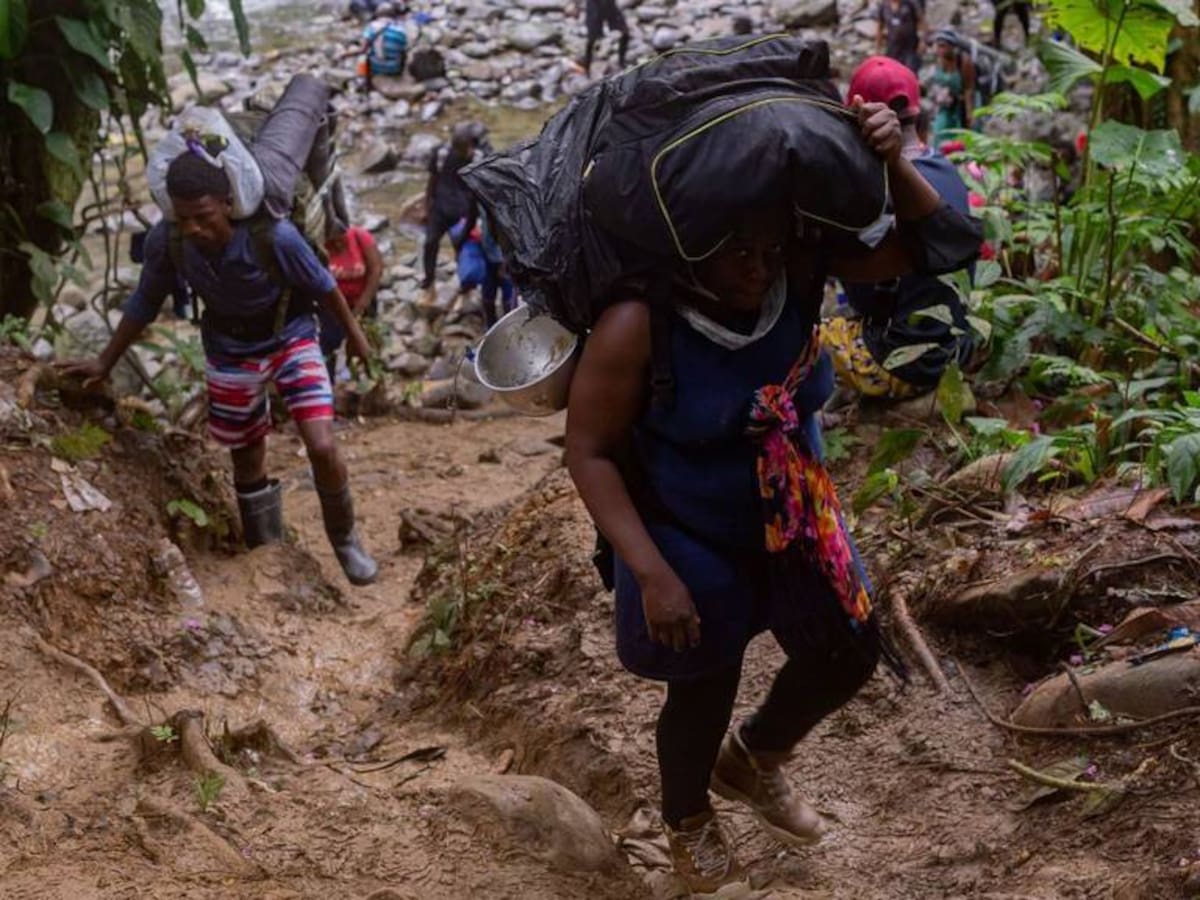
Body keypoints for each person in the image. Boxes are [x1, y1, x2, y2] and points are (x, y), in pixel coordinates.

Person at [565, 99, 977, 892]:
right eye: (739, 254)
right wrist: (651, 573)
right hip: (685, 519)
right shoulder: (637, 324)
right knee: (705, 670)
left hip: (792, 505)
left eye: (768, 248)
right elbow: (587, 452)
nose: (759, 267)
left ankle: (754, 759)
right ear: (690, 255)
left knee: (848, 649)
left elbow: (945, 245)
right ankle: (687, 819)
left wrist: (892, 160)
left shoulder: (799, 268)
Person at [58, 153, 379, 587]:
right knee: (247, 456)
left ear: (228, 204)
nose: (194, 228)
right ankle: (265, 551)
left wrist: (356, 339)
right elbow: (145, 303)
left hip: (291, 337)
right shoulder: (169, 242)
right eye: (184, 217)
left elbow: (324, 287)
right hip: (229, 348)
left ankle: (345, 540)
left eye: (203, 216)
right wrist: (104, 361)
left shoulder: (276, 237)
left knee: (321, 444)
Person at [821, 57, 976, 400]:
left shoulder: (880, 192)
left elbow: (861, 290)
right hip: (956, 349)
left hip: (907, 362)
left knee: (808, 338)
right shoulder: (944, 167)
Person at [420, 123, 481, 304]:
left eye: (464, 148)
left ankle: (466, 286)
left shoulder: (478, 159)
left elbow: (480, 191)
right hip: (439, 208)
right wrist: (426, 206)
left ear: (471, 143)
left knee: (462, 248)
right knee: (430, 243)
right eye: (458, 148)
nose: (461, 152)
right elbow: (432, 180)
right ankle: (429, 282)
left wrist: (476, 219)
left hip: (463, 213)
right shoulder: (441, 153)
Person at [320, 220, 384, 383]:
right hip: (332, 305)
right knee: (328, 345)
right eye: (333, 243)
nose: (338, 245)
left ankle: (368, 380)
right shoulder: (320, 246)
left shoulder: (360, 237)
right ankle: (329, 383)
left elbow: (376, 269)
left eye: (341, 240)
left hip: (362, 301)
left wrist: (362, 304)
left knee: (365, 342)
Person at [931, 30, 976, 146]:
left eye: (943, 46)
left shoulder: (964, 62)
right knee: (939, 132)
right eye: (938, 46)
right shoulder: (939, 60)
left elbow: (968, 89)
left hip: (961, 104)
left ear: (952, 47)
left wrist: (969, 113)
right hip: (946, 105)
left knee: (963, 136)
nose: (940, 50)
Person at [362, 2, 409, 92]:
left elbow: (362, 50)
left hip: (376, 68)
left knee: (363, 56)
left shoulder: (371, 27)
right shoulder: (401, 30)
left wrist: (343, 55)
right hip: (395, 68)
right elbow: (403, 49)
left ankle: (365, 83)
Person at [580, 0, 630, 77]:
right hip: (595, 5)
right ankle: (586, 68)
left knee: (625, 32)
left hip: (609, 4)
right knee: (592, 38)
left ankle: (622, 62)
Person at [874, 0, 925, 73]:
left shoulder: (910, 3)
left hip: (910, 47)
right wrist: (877, 48)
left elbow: (921, 21)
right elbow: (880, 27)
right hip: (893, 47)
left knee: (910, 72)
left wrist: (922, 40)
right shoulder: (884, 6)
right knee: (893, 72)